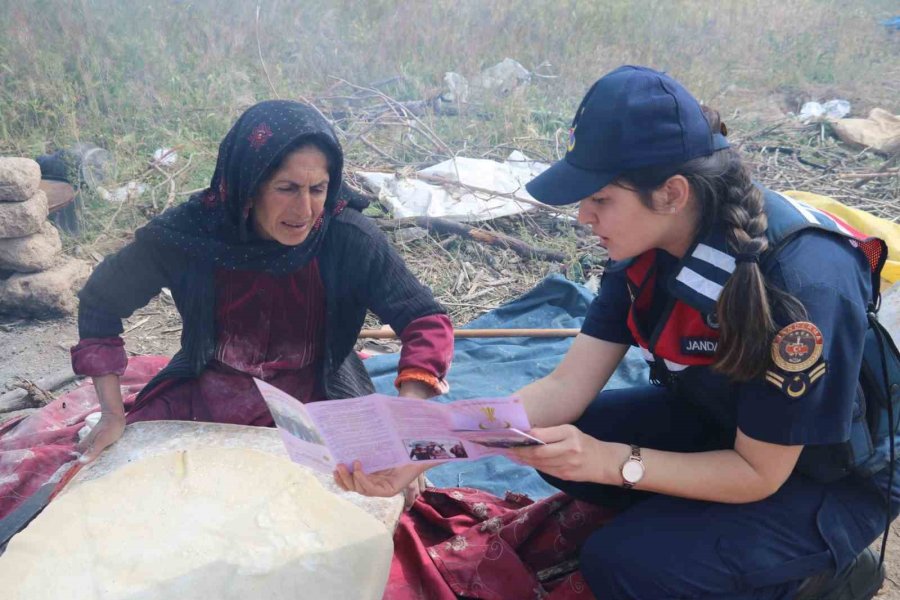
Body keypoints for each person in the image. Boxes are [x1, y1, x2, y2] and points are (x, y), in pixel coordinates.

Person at [336, 66, 898, 599]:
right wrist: (426, 445)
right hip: (725, 424)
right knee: (554, 434)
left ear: (673, 193)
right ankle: (686, 531)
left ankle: (819, 577)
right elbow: (560, 393)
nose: (584, 217)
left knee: (622, 563)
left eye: (600, 199)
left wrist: (612, 462)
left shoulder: (803, 285)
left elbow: (760, 473)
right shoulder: (643, 253)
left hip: (820, 478)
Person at [72, 100, 454, 507]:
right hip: (206, 392)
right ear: (248, 186)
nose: (305, 210)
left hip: (318, 397)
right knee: (135, 498)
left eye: (318, 189)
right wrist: (113, 414)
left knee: (368, 503)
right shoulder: (193, 234)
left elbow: (426, 321)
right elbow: (100, 301)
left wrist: (406, 427)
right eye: (287, 189)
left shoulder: (347, 238)